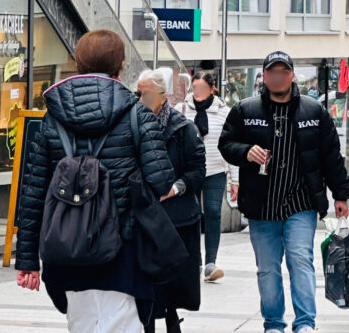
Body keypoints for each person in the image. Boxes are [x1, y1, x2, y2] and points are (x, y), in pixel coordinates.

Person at [16, 30, 176, 332]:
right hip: (122, 248)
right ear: (120, 66)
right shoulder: (137, 114)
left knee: (82, 324)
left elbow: (33, 191)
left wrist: (27, 260)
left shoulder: (52, 117)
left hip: (66, 247)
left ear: (78, 64)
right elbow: (162, 181)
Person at [219, 51, 349, 333]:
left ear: (292, 75)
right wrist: (246, 151)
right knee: (267, 269)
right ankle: (274, 323)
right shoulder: (245, 110)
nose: (278, 77)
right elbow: (226, 144)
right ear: (265, 76)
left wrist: (341, 194)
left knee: (300, 261)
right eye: (272, 72)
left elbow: (331, 156)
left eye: (283, 72)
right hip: (261, 205)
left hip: (301, 203)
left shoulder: (314, 112)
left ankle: (305, 323)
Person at [139, 70, 206, 333]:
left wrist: (177, 188)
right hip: (145, 217)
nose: (140, 99)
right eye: (138, 93)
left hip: (178, 218)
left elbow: (197, 171)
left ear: (162, 95)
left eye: (145, 94)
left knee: (173, 288)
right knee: (147, 286)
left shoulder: (183, 128)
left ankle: (172, 321)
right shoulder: (133, 124)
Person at [177, 71, 238, 282]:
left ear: (212, 89)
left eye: (202, 88)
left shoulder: (224, 112)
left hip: (215, 170)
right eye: (195, 88)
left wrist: (235, 180)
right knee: (192, 215)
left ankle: (211, 263)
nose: (197, 92)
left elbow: (231, 146)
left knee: (213, 212)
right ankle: (195, 261)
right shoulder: (182, 109)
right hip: (189, 171)